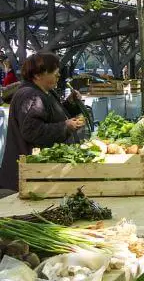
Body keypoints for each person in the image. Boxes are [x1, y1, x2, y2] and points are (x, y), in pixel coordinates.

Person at [0, 52, 86, 191]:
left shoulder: (44, 92)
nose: (58, 75)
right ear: (38, 75)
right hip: (30, 174)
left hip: (38, 172)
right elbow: (33, 131)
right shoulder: (31, 95)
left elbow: (52, 115)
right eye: (53, 71)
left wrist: (70, 103)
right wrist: (65, 127)